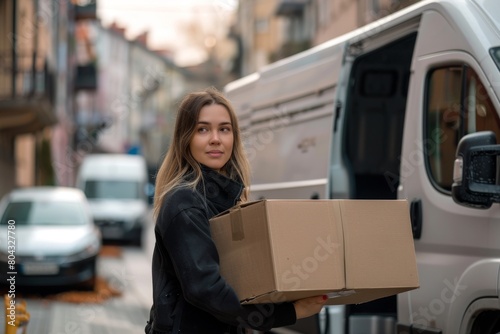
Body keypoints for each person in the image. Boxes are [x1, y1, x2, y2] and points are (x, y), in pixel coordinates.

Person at [146, 87, 327, 334]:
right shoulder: (184, 202)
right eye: (202, 129)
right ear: (185, 138)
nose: (215, 139)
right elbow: (206, 289)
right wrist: (290, 312)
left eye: (224, 129)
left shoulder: (228, 199)